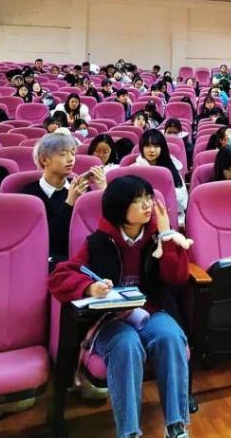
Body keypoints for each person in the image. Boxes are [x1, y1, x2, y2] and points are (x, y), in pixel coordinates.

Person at [48, 176, 193, 438]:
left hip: (149, 311)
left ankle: (176, 427)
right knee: (126, 345)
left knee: (170, 336)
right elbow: (60, 277)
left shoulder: (157, 236)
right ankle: (129, 433)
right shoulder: (99, 241)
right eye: (138, 201)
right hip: (110, 319)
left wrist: (166, 236)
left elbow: (178, 277)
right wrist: (89, 287)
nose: (147, 205)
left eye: (148, 198)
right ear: (119, 209)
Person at [20, 132, 106, 260]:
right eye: (63, 154)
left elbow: (97, 227)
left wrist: (103, 189)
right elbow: (48, 240)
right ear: (44, 160)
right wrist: (70, 202)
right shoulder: (29, 196)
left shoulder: (79, 187)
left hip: (83, 256)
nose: (71, 159)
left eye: (72, 153)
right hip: (48, 259)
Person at [135, 130, 188, 217]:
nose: (152, 150)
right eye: (147, 146)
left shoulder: (171, 167)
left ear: (162, 148)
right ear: (142, 147)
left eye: (156, 146)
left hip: (169, 213)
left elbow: (183, 202)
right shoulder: (135, 168)